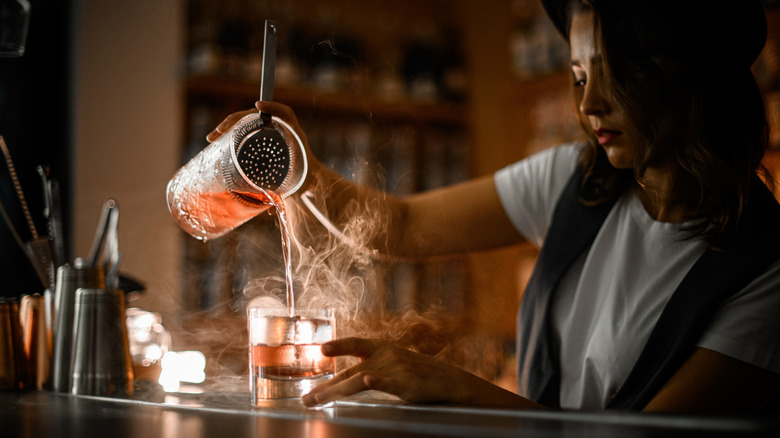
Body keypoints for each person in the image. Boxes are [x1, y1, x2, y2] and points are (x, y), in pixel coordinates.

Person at [206, 0, 780, 415]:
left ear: (692, 76)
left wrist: (458, 387)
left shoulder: (763, 271)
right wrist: (294, 165)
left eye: (617, 74)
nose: (589, 103)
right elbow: (401, 227)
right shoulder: (574, 180)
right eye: (579, 76)